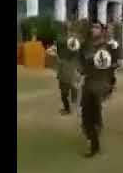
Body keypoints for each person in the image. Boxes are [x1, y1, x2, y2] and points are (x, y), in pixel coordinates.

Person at [78, 21, 119, 158]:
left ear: (102, 30)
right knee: (87, 112)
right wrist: (81, 70)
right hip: (89, 82)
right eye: (92, 27)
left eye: (97, 27)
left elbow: (113, 65)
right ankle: (94, 130)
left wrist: (111, 84)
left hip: (101, 83)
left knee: (92, 110)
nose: (93, 30)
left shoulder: (108, 47)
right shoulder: (86, 46)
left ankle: (93, 143)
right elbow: (80, 62)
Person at [51, 22, 81, 115]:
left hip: (68, 65)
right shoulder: (66, 39)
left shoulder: (64, 39)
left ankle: (70, 107)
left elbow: (60, 51)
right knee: (67, 88)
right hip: (66, 65)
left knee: (67, 88)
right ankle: (70, 107)